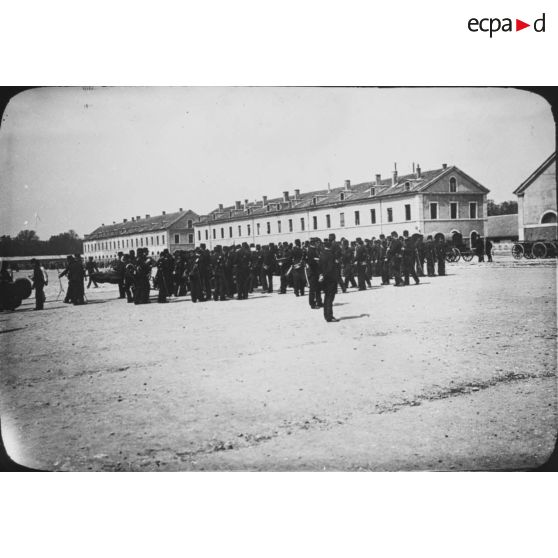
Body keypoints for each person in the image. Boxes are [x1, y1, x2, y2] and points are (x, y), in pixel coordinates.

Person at [318, 238, 339, 322]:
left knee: (326, 297)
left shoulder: (322, 254)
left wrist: (321, 275)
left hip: (324, 279)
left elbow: (319, 267)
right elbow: (330, 268)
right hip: (331, 279)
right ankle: (329, 316)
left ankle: (326, 315)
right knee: (330, 298)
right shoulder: (331, 255)